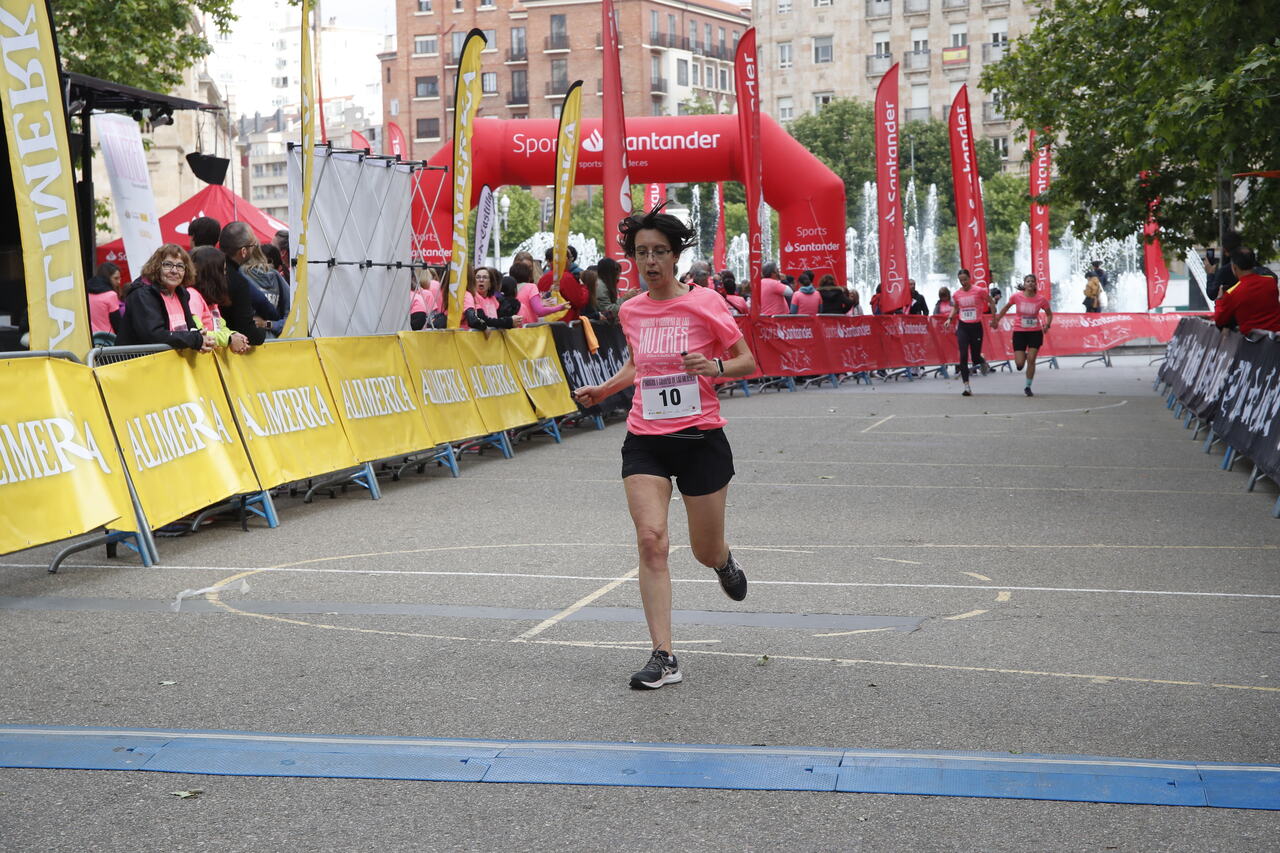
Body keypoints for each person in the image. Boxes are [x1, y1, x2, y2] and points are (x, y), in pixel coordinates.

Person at [571, 205, 756, 690]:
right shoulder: (631, 310)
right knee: (652, 540)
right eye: (641, 253)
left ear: (675, 256)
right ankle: (664, 656)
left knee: (703, 548)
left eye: (659, 252)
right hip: (646, 440)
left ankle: (723, 562)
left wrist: (713, 368)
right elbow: (639, 368)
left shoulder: (706, 303)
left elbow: (746, 360)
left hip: (700, 439)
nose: (650, 261)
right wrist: (604, 390)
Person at [115, 244, 215, 352]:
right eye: (168, 265)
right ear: (156, 267)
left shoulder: (182, 293)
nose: (174, 271)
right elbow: (153, 335)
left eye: (180, 266)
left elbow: (190, 328)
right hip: (137, 363)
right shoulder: (142, 294)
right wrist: (195, 339)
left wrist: (200, 336)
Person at [992, 274, 1053, 396]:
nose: (1030, 283)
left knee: (1031, 360)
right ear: (1024, 284)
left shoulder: (1041, 299)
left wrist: (1047, 325)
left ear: (1035, 284)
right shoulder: (1016, 297)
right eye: (1028, 281)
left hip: (1035, 332)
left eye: (1032, 281)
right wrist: (997, 319)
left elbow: (1049, 314)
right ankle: (1024, 355)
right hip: (1019, 332)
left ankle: (1028, 386)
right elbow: (1005, 308)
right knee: (1019, 364)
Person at [190, 246, 252, 353]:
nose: (225, 275)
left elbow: (220, 327)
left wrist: (234, 335)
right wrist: (229, 339)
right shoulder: (193, 296)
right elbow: (198, 333)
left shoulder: (211, 301)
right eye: (223, 271)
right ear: (213, 273)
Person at [219, 222, 271, 347]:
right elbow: (248, 333)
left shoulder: (209, 269)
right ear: (243, 251)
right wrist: (261, 329)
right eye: (253, 245)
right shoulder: (238, 282)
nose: (255, 249)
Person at [943, 268, 993, 396]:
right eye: (961, 280)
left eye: (965, 279)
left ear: (970, 278)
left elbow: (991, 302)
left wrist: (995, 318)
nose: (963, 282)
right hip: (963, 327)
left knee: (975, 357)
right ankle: (966, 387)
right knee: (963, 355)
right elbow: (955, 308)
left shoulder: (979, 291)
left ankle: (982, 361)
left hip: (976, 327)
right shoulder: (957, 294)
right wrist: (949, 319)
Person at [1214, 249, 1280, 336]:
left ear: (1234, 267)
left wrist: (1219, 299)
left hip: (1251, 343)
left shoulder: (1232, 293)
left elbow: (1219, 320)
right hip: (1275, 340)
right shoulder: (1270, 282)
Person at [242, 244, 291, 338]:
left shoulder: (276, 277)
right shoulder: (276, 277)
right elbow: (292, 317)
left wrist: (267, 324)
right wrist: (269, 324)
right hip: (270, 344)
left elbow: (292, 317)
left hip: (248, 344)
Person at [87, 262, 123, 341]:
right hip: (108, 339)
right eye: (116, 278)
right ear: (107, 278)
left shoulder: (86, 292)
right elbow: (116, 322)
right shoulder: (111, 295)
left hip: (89, 338)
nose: (119, 282)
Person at [595, 257, 623, 321]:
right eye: (616, 270)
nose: (618, 275)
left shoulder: (606, 284)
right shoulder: (600, 286)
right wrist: (625, 299)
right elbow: (608, 311)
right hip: (601, 327)